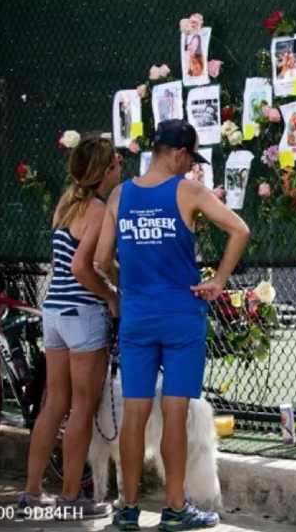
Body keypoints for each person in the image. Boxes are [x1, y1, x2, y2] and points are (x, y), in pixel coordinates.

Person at [95, 119, 249, 531]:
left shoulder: (119, 195)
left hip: (137, 316)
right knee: (175, 413)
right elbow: (239, 229)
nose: (190, 167)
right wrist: (217, 281)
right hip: (181, 316)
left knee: (134, 413)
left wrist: (128, 283)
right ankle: (176, 508)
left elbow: (99, 259)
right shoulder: (189, 192)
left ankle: (126, 508)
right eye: (190, 159)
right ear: (179, 153)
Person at [19, 137, 122, 518]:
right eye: (116, 161)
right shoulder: (96, 209)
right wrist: (112, 296)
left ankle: (31, 493)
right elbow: (83, 267)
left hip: (55, 312)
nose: (120, 165)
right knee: (81, 407)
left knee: (54, 403)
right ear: (105, 170)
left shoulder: (66, 203)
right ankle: (70, 500)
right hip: (82, 312)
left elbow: (67, 262)